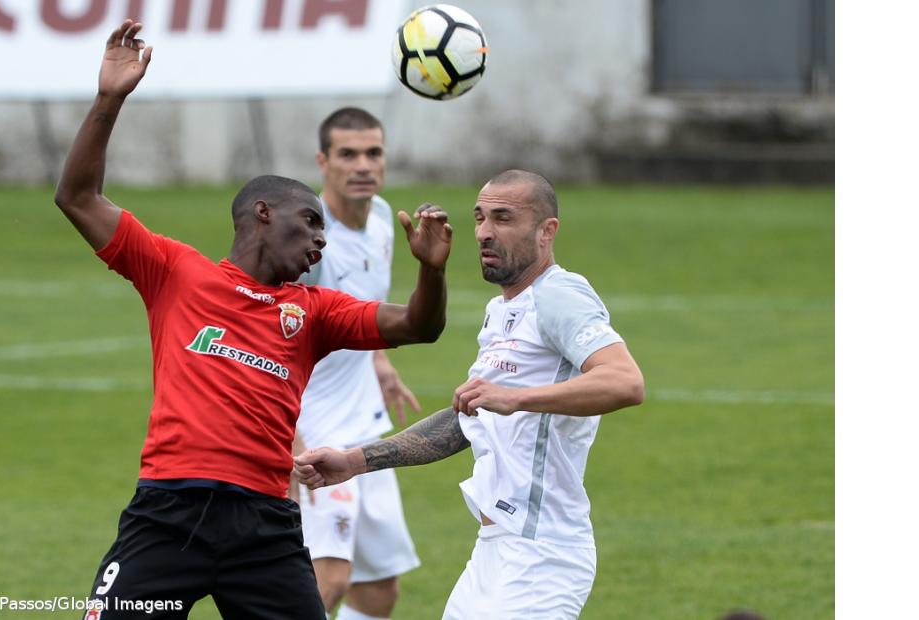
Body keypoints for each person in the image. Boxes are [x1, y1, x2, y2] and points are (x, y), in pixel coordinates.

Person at [54, 20, 453, 619]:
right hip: (169, 513)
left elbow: (419, 327)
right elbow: (78, 197)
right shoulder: (176, 272)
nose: (321, 239)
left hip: (265, 527)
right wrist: (110, 100)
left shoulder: (315, 312)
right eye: (310, 221)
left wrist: (433, 272)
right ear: (262, 213)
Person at [295, 170, 645, 619]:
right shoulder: (500, 311)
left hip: (542, 556)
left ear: (546, 231)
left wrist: (517, 397)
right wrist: (354, 462)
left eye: (503, 218)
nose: (484, 232)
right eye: (480, 218)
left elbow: (625, 381)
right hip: (493, 550)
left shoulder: (560, 294)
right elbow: (465, 419)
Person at [293, 107, 421, 620]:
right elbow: (261, 336)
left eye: (373, 152)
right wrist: (288, 441)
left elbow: (361, 308)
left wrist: (378, 361)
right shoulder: (307, 242)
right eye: (348, 154)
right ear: (323, 162)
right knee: (329, 582)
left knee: (378, 592)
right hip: (317, 434)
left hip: (369, 434)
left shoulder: (385, 218)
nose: (363, 165)